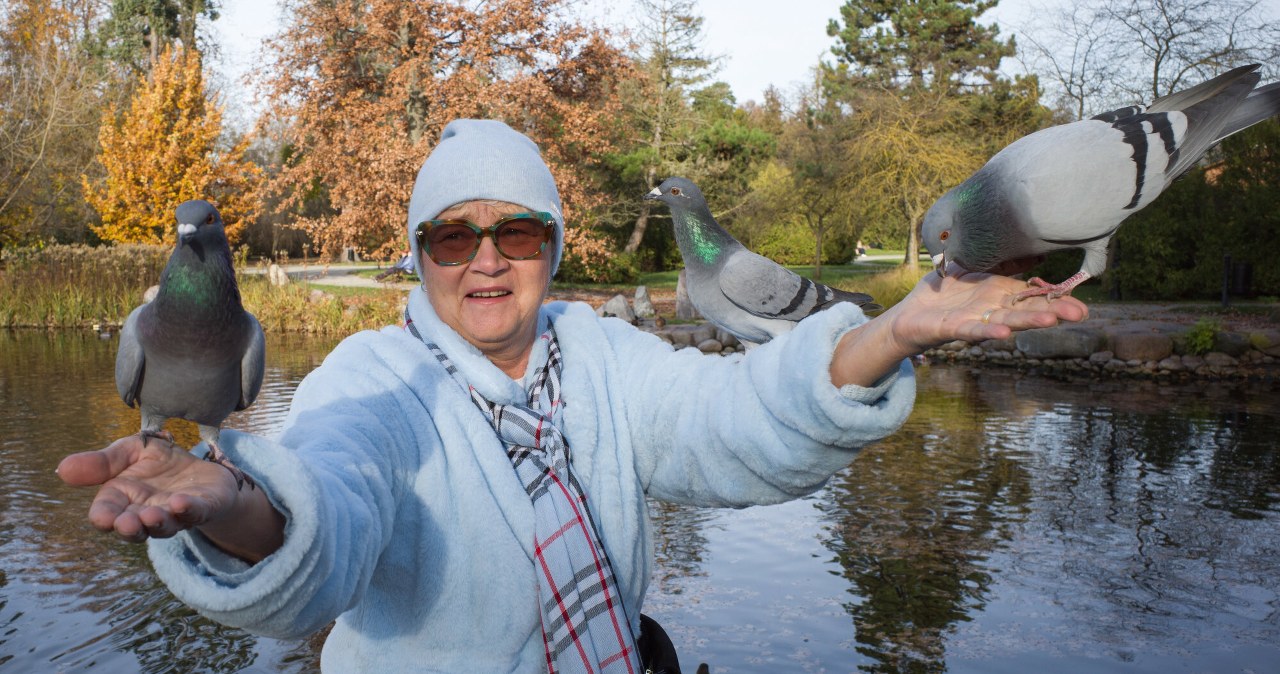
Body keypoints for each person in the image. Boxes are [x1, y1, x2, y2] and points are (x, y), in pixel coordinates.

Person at [58, 119, 1087, 673]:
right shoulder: (375, 376)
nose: (488, 261)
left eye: (519, 232)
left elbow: (732, 422)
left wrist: (890, 328)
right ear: (418, 256)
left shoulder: (601, 355)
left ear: (552, 245)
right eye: (452, 236)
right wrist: (231, 506)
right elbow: (329, 499)